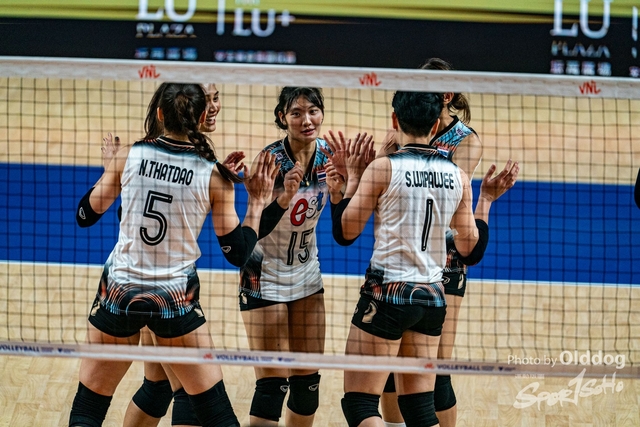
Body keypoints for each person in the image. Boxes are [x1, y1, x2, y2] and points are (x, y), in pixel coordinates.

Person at [70, 83, 280, 427]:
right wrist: (257, 203)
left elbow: (84, 215)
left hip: (118, 292)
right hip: (174, 300)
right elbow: (237, 253)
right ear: (201, 116)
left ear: (159, 113)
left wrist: (111, 171)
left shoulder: (130, 155)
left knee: (87, 411)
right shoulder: (213, 174)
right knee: (217, 415)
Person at [329, 90, 518, 427]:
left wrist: (353, 179)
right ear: (435, 126)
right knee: (419, 409)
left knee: (360, 404)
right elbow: (470, 251)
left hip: (386, 295)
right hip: (432, 298)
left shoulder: (383, 168)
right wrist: (486, 200)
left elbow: (346, 233)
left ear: (394, 120)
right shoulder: (457, 177)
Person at [119, 83, 246, 427]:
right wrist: (252, 198)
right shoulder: (188, 163)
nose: (214, 106)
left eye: (218, 97)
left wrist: (214, 179)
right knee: (194, 397)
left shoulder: (146, 152)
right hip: (168, 293)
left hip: (136, 286)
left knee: (158, 387)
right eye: (207, 99)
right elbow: (237, 251)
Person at [378, 58, 485, 427]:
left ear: (447, 96)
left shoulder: (466, 140)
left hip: (446, 262)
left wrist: (400, 157)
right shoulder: (404, 128)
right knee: (392, 367)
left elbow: (451, 202)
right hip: (400, 257)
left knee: (435, 369)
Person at [238, 86, 338, 427]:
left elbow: (343, 224)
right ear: (283, 118)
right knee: (272, 387)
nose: (306, 120)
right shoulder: (270, 161)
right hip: (263, 275)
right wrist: (283, 199)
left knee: (307, 387)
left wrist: (343, 189)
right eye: (296, 113)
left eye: (313, 111)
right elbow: (253, 230)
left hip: (307, 274)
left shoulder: (330, 156)